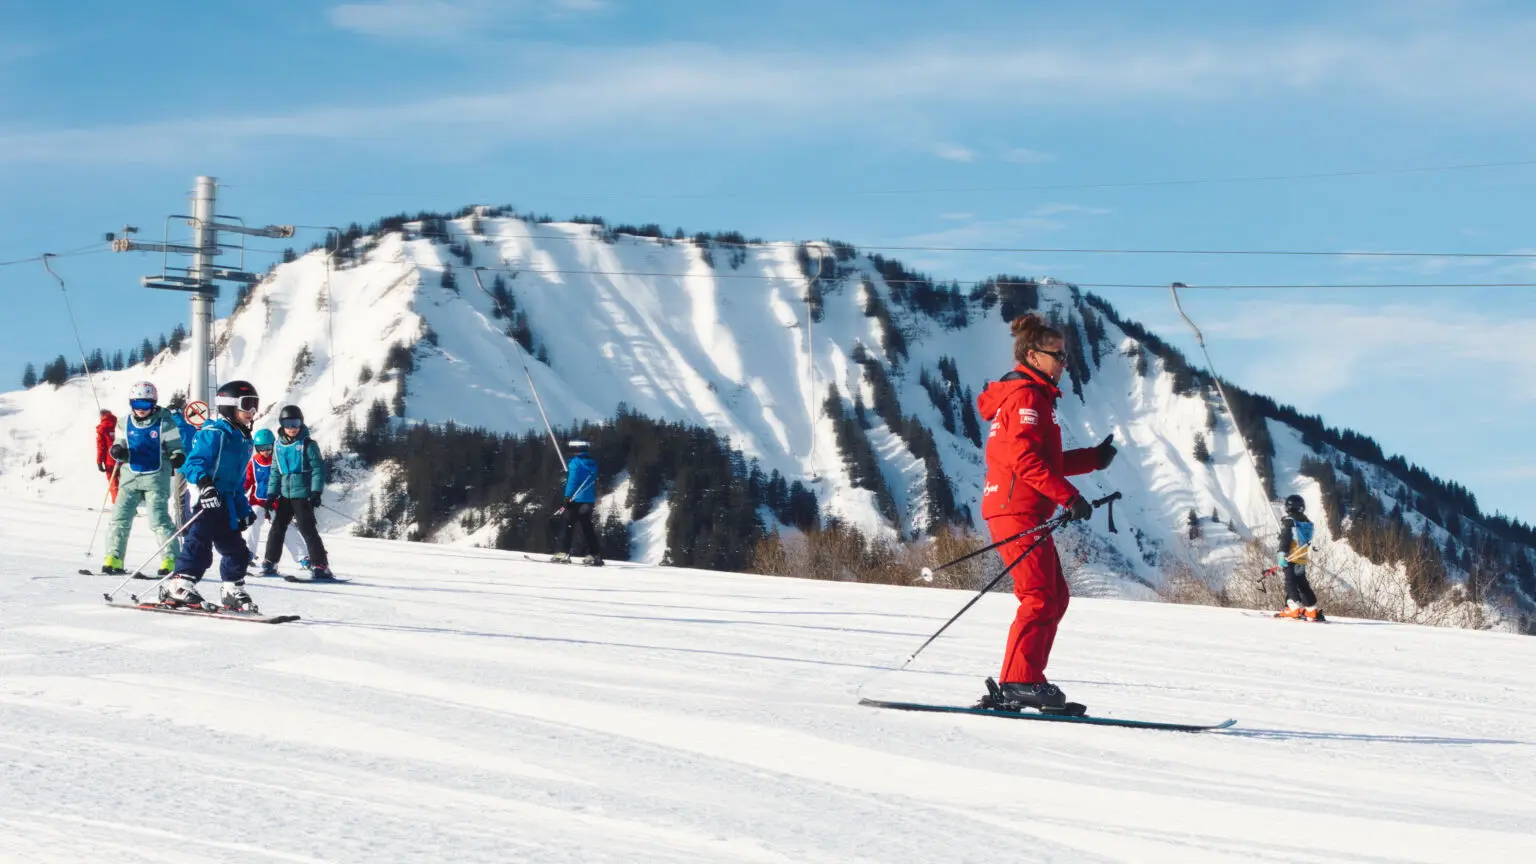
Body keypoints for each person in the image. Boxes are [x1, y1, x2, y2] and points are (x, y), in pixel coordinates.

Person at [973, 314, 1115, 711]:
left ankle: (1022, 679)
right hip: (1015, 508)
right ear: (1033, 356)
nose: (1064, 363)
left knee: (1055, 596)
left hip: (1023, 509)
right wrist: (1069, 497)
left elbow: (1044, 460)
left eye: (1065, 355)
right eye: (1058, 355)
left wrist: (1092, 459)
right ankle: (1019, 681)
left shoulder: (1035, 395)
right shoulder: (1026, 397)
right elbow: (1025, 461)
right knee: (1038, 597)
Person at [161, 380, 261, 610]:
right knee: (199, 543)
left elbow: (236, 483)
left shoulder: (244, 439)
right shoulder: (214, 433)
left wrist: (243, 510)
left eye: (255, 404)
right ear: (229, 406)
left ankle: (232, 589)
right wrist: (205, 485)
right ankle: (179, 584)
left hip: (226, 503)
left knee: (238, 551)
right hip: (206, 501)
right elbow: (193, 463)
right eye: (247, 404)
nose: (252, 411)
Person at [102, 382, 186, 575]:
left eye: (145, 405)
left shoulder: (165, 423)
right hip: (130, 478)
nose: (141, 409)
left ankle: (171, 560)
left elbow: (176, 447)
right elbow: (118, 445)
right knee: (119, 518)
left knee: (158, 520)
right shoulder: (124, 422)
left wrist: (177, 456)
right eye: (136, 404)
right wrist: (117, 451)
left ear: (153, 404)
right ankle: (113, 558)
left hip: (156, 478)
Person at [261, 405, 335, 579]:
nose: (292, 428)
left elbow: (317, 469)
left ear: (301, 423)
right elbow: (275, 472)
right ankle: (270, 562)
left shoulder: (308, 444)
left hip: (302, 494)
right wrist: (271, 495)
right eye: (288, 424)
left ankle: (320, 565)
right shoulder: (278, 446)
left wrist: (316, 492)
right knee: (277, 528)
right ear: (282, 424)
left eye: (295, 423)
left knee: (307, 529)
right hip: (285, 495)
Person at [243, 427, 309, 572]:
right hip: (258, 501)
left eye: (268, 447)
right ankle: (248, 553)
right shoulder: (253, 462)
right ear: (257, 448)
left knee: (284, 525)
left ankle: (303, 557)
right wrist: (238, 492)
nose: (266, 451)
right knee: (253, 519)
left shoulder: (279, 459)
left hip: (276, 501)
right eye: (261, 448)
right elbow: (246, 481)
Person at [549, 439, 602, 565]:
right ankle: (594, 554)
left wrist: (567, 498)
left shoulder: (575, 463)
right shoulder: (592, 464)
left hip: (575, 500)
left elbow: (572, 482)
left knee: (567, 525)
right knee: (587, 527)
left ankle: (563, 552)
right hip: (588, 500)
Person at [1275, 494, 1324, 621]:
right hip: (1301, 559)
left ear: (1288, 507)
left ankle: (1294, 608)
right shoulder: (1306, 522)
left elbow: (1285, 539)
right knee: (1302, 584)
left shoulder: (1289, 522)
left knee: (1290, 583)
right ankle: (1311, 610)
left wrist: (1281, 554)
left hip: (1290, 558)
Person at [95, 408, 120, 504]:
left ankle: (118, 504)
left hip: (110, 460)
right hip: (123, 457)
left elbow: (100, 446)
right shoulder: (119, 423)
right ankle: (128, 504)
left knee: (113, 482)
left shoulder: (102, 427)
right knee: (125, 481)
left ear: (102, 416)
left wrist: (99, 461)